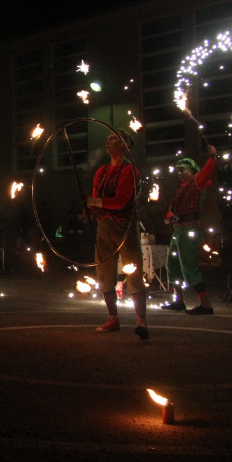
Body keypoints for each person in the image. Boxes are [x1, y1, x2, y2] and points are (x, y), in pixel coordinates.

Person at [86, 130, 149, 340]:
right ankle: (113, 318)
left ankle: (141, 320)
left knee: (134, 274)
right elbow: (96, 200)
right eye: (107, 138)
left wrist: (94, 202)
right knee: (104, 277)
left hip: (125, 228)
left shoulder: (130, 171)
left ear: (123, 144)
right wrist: (88, 206)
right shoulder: (101, 172)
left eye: (112, 138)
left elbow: (120, 200)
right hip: (104, 228)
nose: (108, 141)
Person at [161, 145, 217, 315]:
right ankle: (178, 301)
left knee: (188, 266)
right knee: (173, 265)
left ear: (192, 171)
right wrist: (169, 216)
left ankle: (206, 305)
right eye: (178, 171)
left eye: (183, 170)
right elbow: (175, 208)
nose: (179, 173)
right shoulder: (181, 189)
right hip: (178, 231)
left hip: (190, 229)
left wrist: (212, 156)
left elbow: (207, 171)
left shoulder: (197, 182)